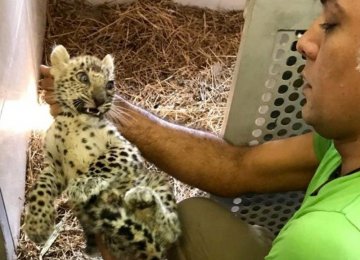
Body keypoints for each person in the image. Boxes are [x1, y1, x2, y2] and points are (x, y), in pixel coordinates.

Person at [38, 0, 360, 259]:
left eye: (331, 23)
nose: (304, 42)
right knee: (193, 222)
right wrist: (114, 111)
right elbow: (239, 168)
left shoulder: (325, 241)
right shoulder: (344, 140)